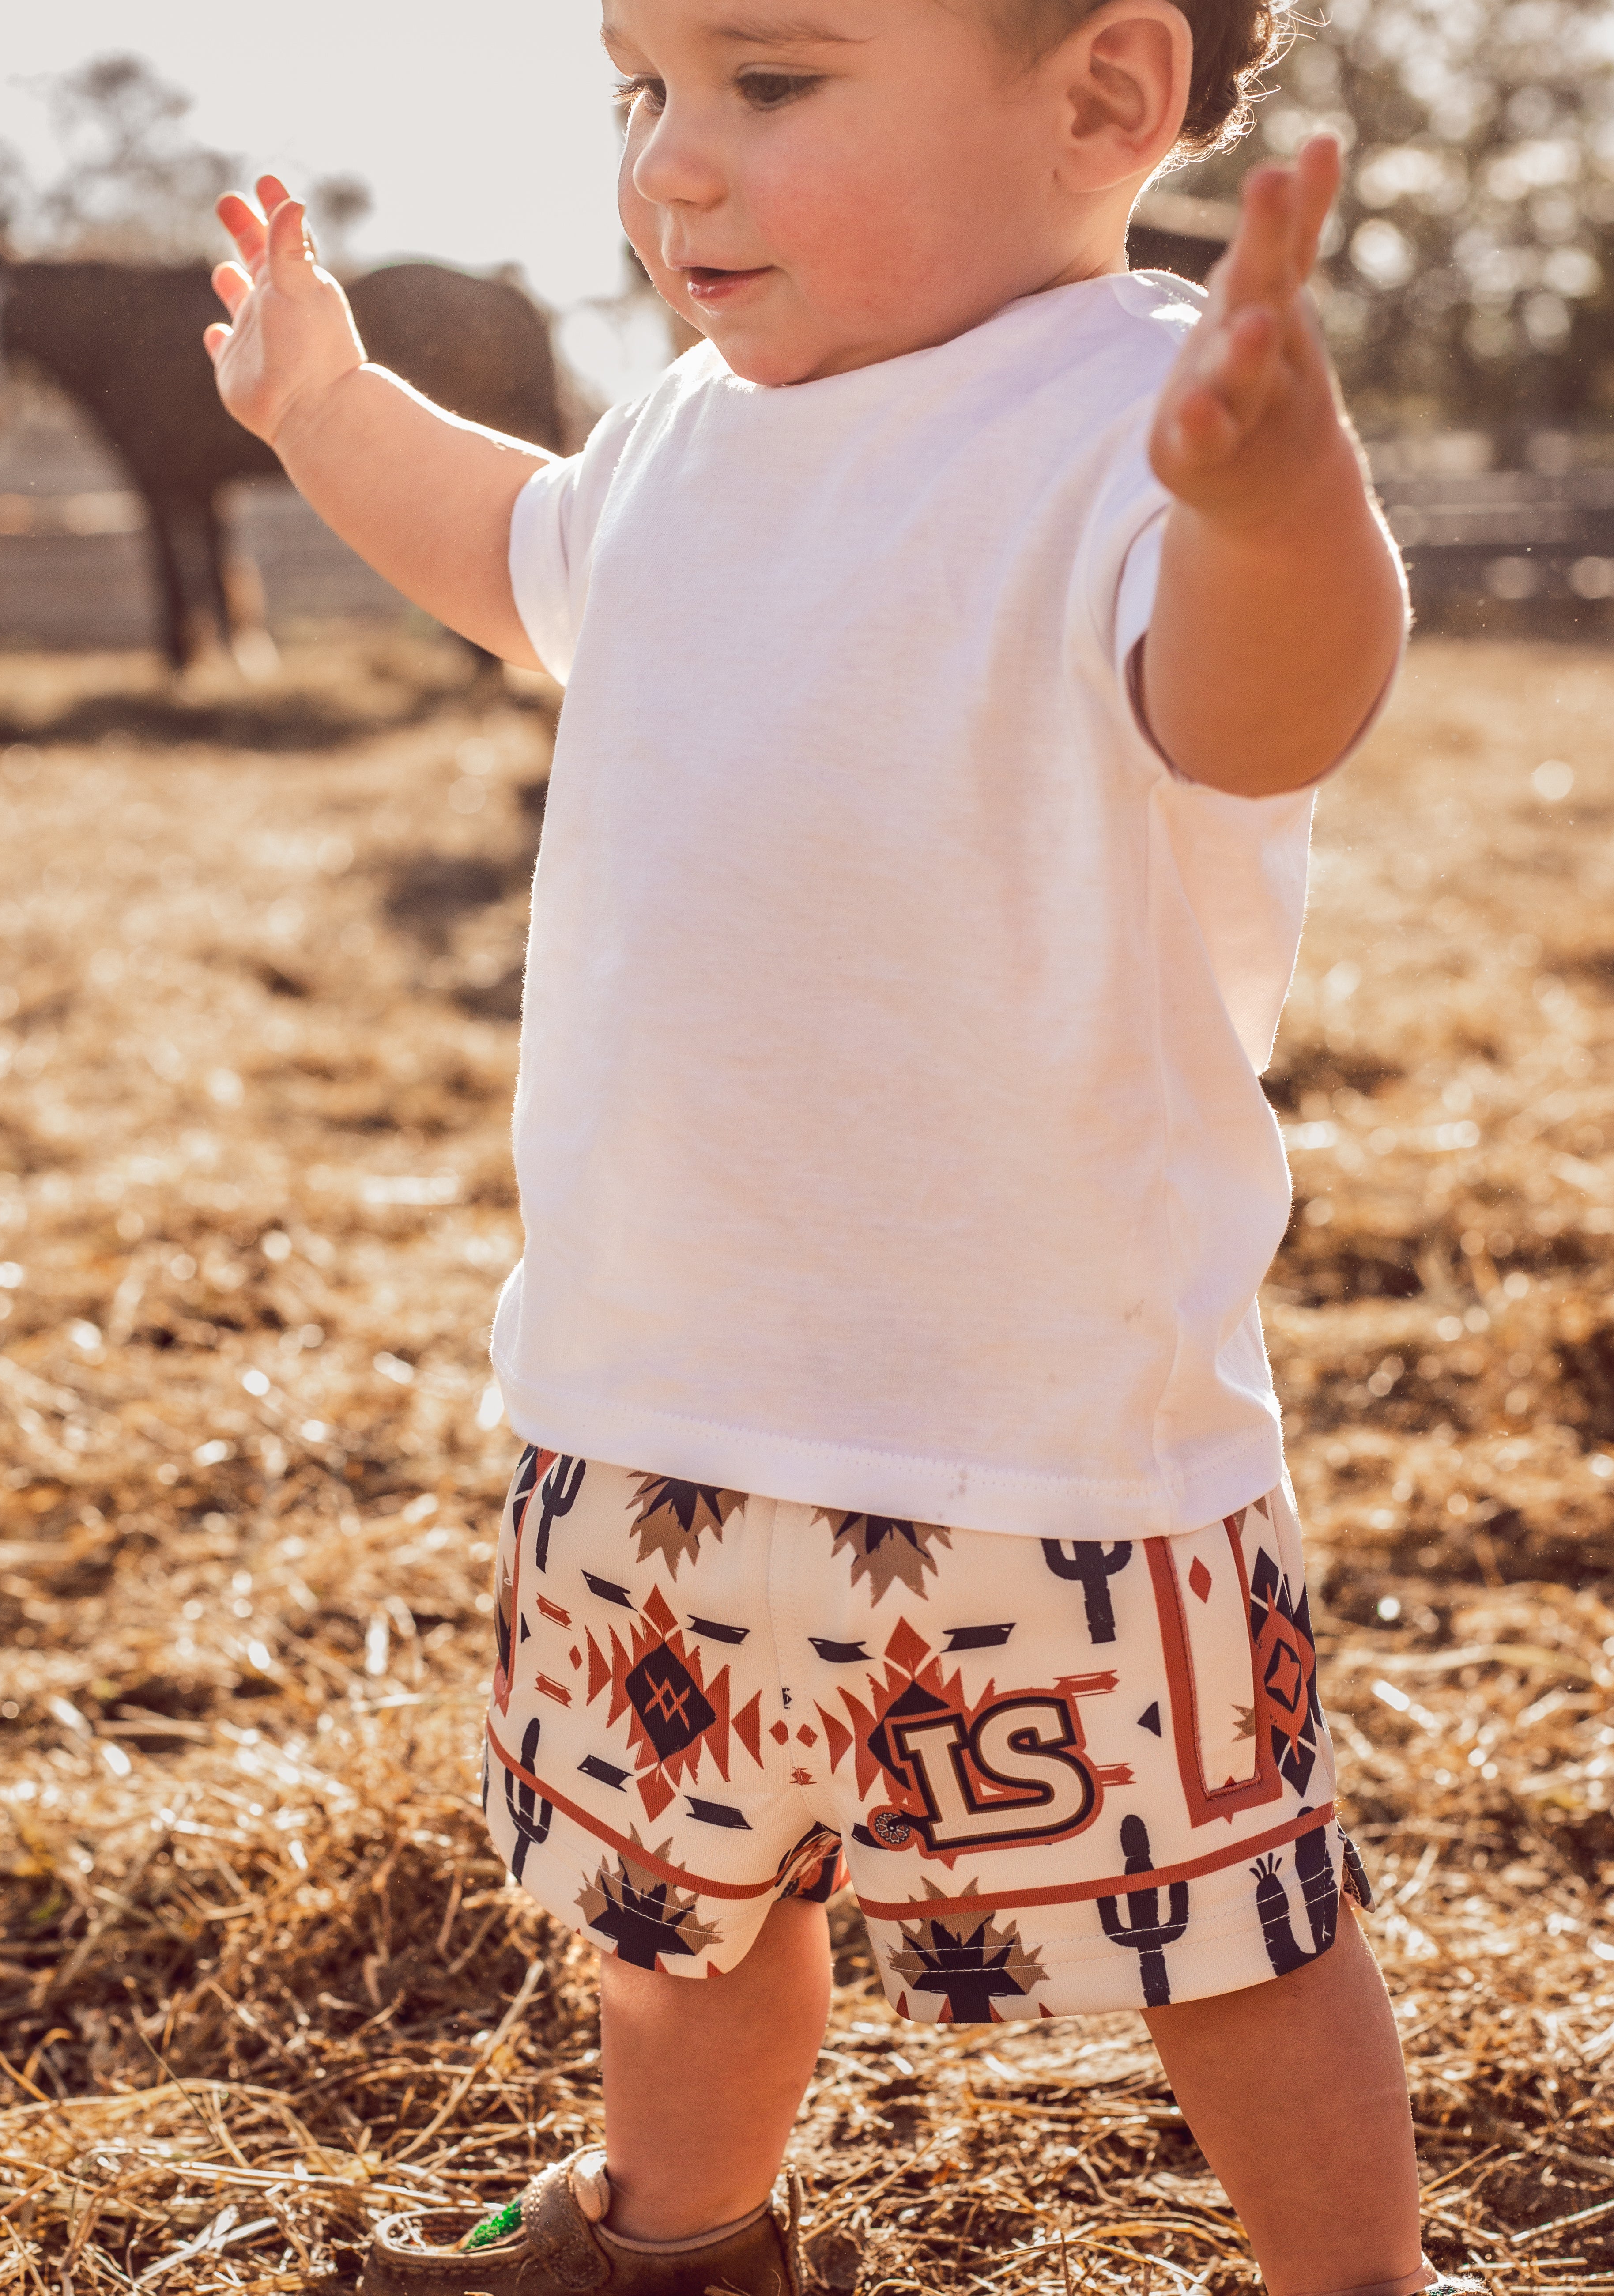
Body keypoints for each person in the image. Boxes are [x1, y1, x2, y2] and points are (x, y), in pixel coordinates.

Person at [206, 4, 1462, 2293]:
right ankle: (676, 2235)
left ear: (1102, 102)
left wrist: (1272, 499)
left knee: (1226, 1926)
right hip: (655, 1384)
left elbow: (1266, 701)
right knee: (672, 1896)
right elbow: (519, 563)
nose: (670, 168)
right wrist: (328, 409)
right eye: (642, 93)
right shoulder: (693, 434)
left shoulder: (1132, 425)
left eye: (768, 86)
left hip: (1038, 1428)